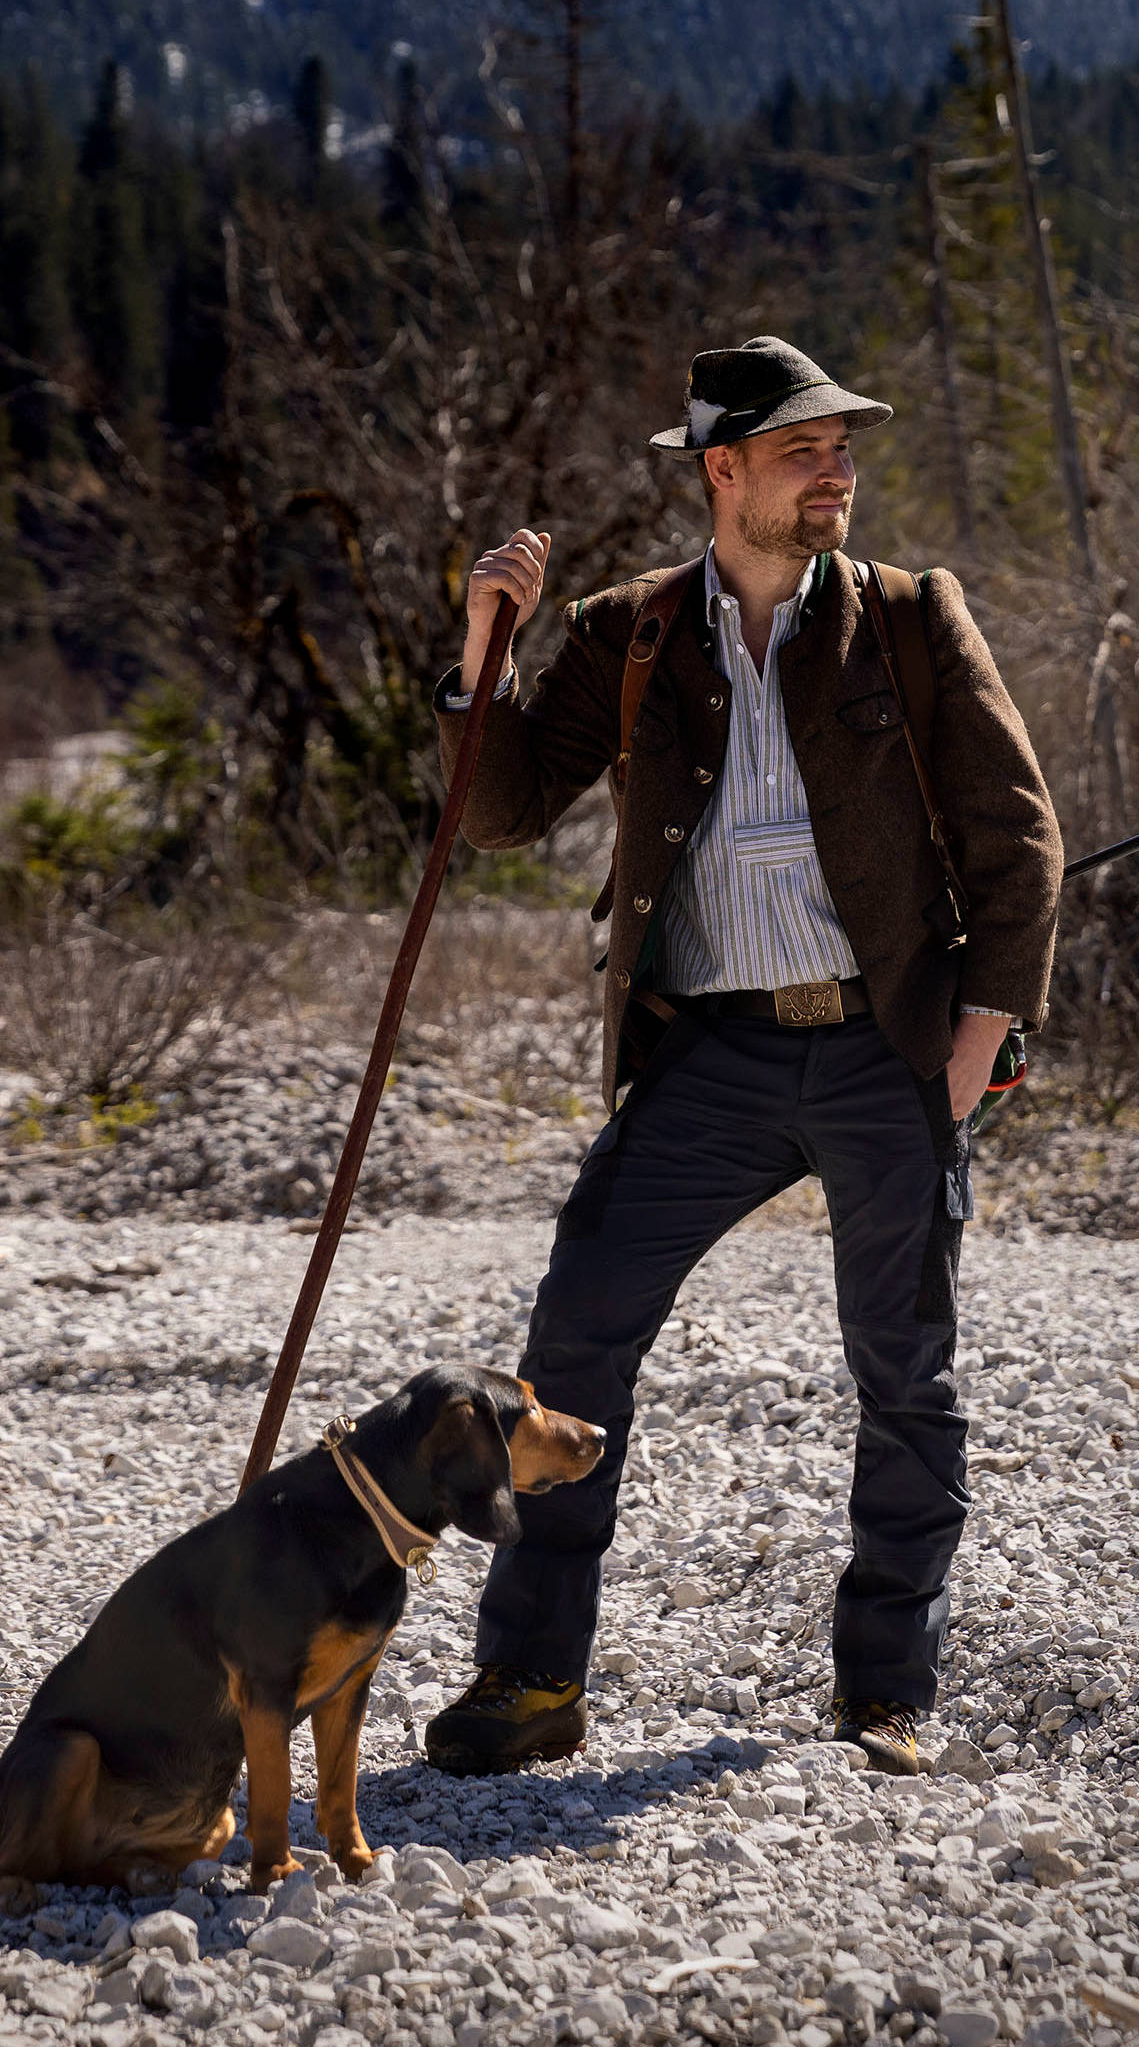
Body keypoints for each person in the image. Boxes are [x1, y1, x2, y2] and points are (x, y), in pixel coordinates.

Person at [419, 335, 1063, 1779]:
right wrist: (485, 651)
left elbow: (1021, 838)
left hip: (884, 1047)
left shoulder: (910, 617)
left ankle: (886, 1691)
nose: (837, 471)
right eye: (804, 450)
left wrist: (972, 1047)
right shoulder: (631, 631)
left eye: (844, 448)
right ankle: (530, 1679)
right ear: (726, 472)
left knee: (904, 1371)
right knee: (574, 1340)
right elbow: (505, 810)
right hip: (705, 1056)